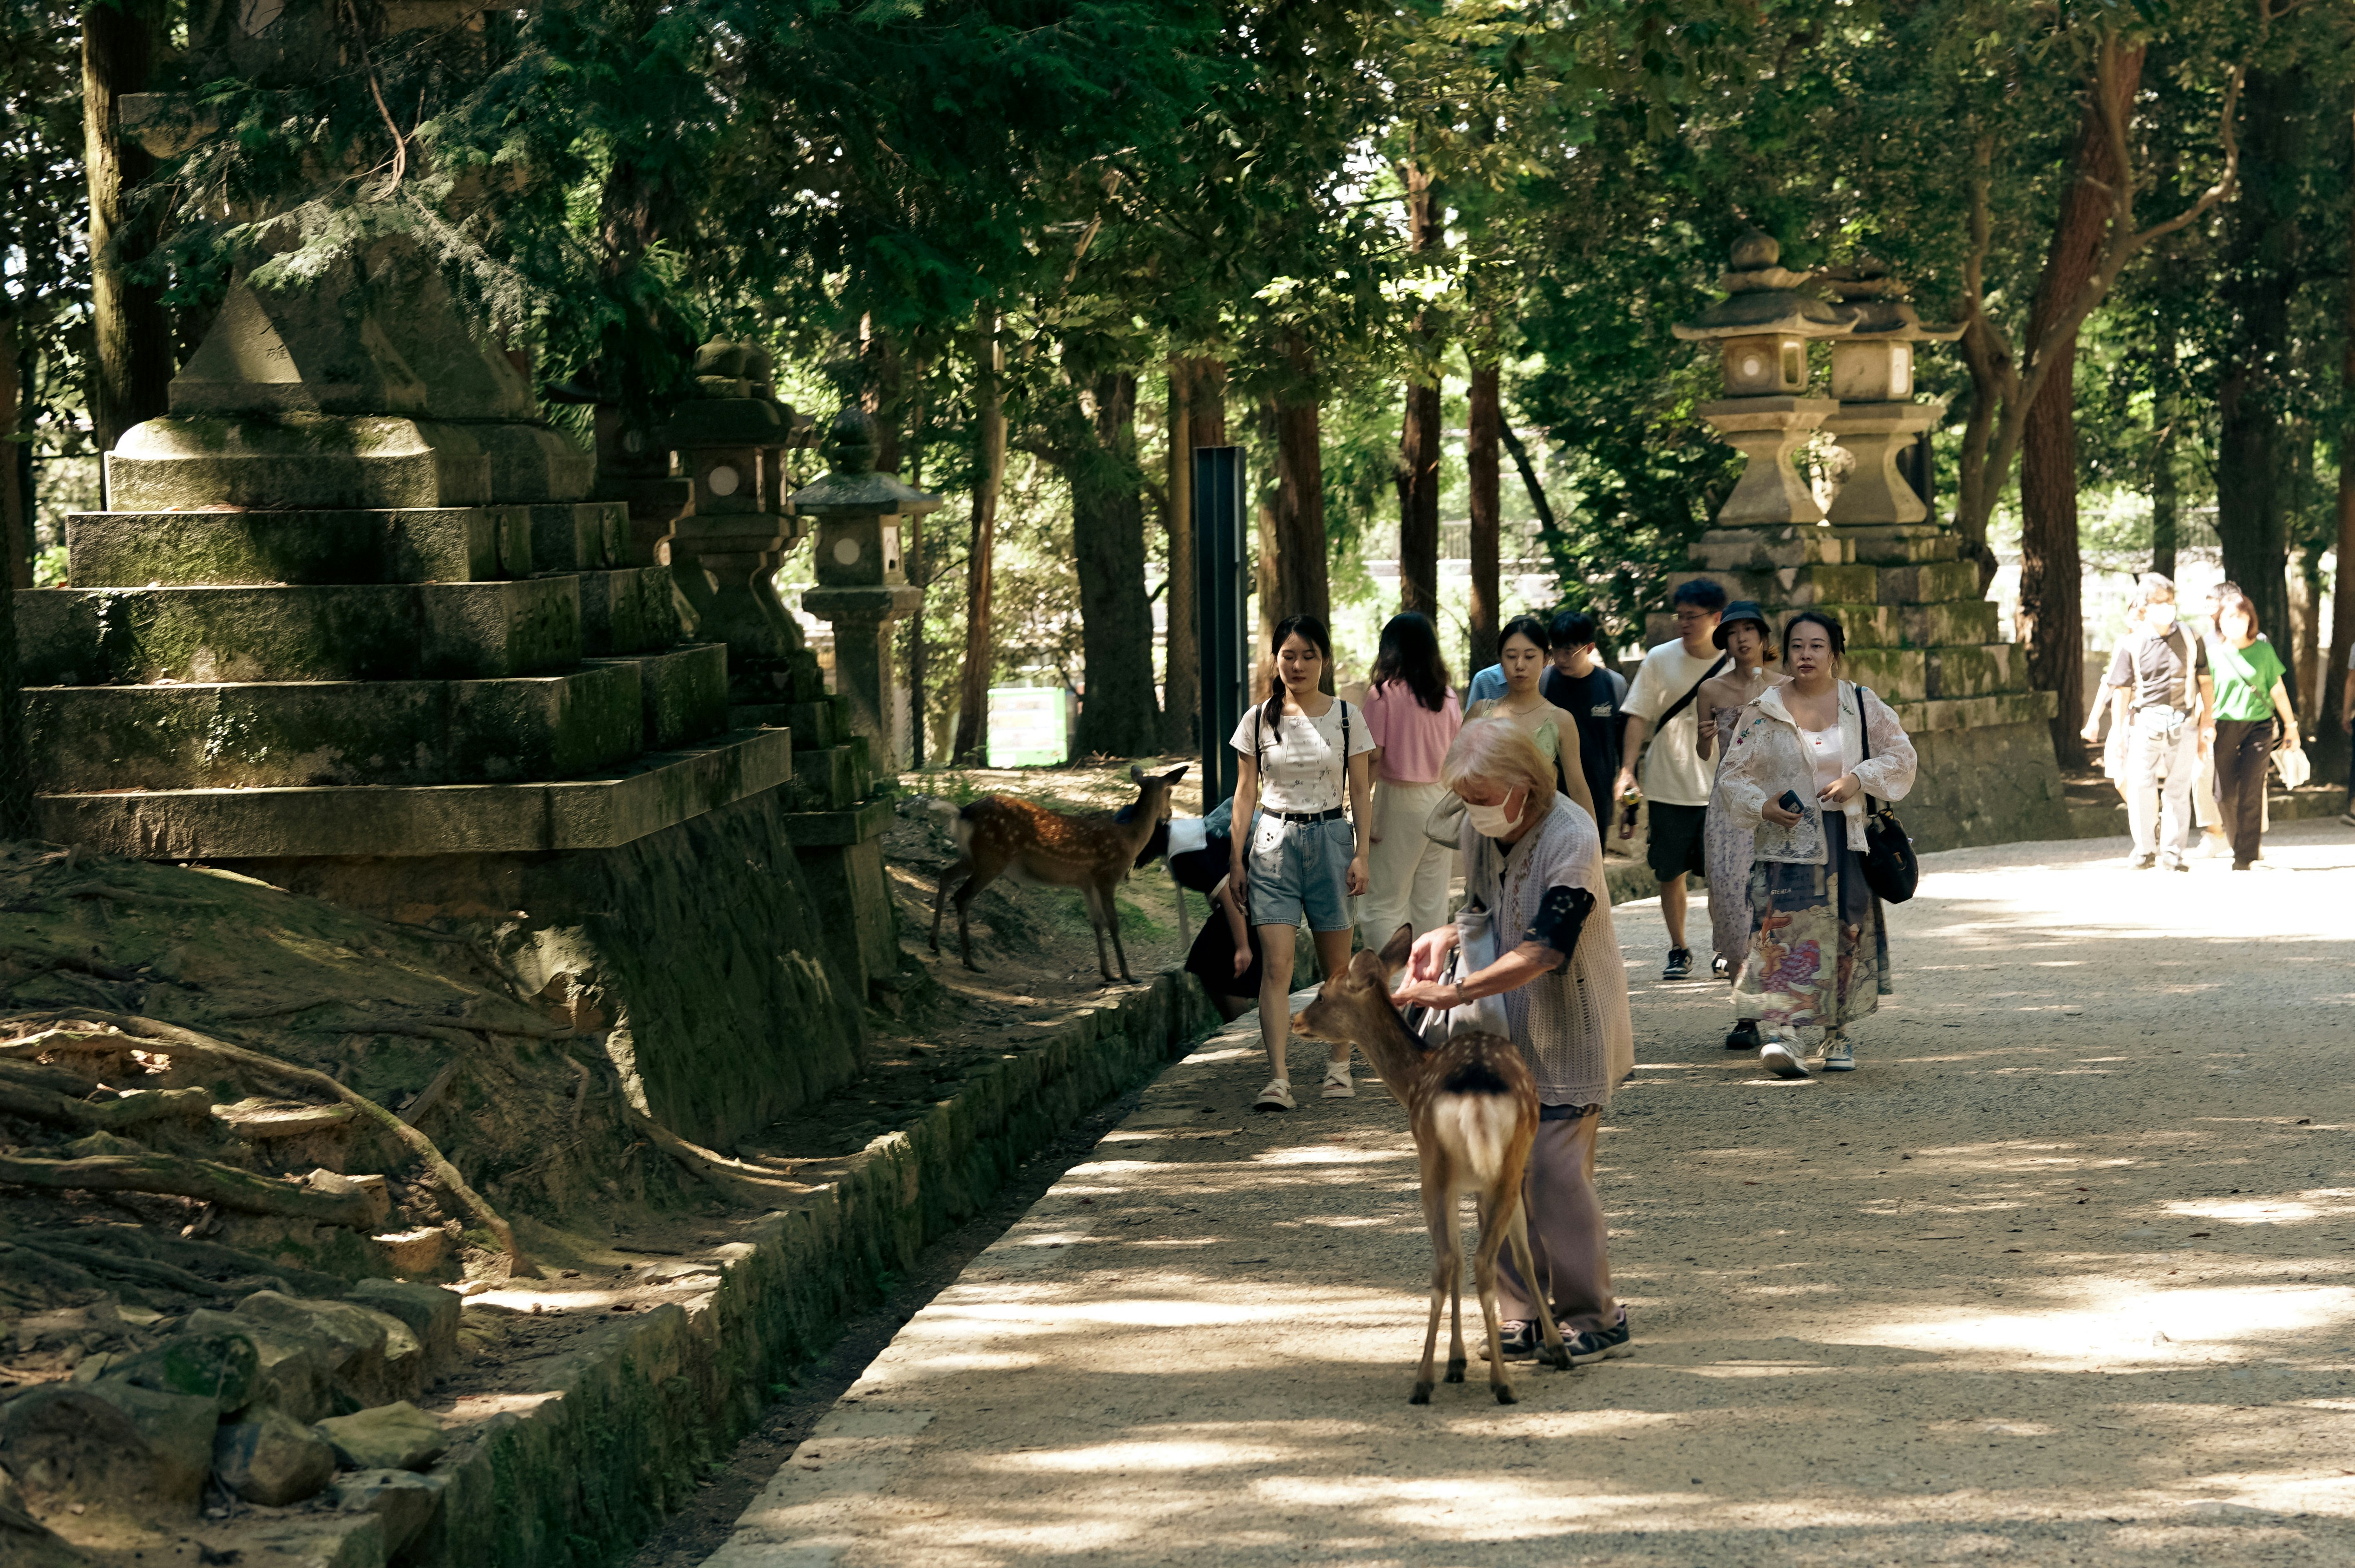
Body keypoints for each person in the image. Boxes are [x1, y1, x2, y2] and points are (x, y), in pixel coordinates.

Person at [1390, 717, 1635, 1364]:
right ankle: (1522, 1312)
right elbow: (1480, 905)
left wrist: (1457, 992)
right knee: (1499, 1171)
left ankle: (1594, 1314)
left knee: (1555, 1174)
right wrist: (1443, 937)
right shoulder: (1478, 828)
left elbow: (1548, 946)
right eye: (1464, 798)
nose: (1473, 810)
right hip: (1501, 1031)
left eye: (1482, 796)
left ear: (1525, 786)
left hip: (1567, 1026)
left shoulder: (1571, 836)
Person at [1716, 611, 1917, 1078]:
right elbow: (1732, 774)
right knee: (1783, 934)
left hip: (1846, 838)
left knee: (1844, 928)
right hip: (1786, 842)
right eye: (1798, 646)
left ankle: (1836, 1031)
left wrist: (1858, 778)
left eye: (1817, 646)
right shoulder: (1765, 709)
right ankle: (1784, 1032)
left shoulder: (1862, 704)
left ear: (1834, 653)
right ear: (1785, 653)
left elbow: (1901, 755)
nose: (1806, 654)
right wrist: (1763, 806)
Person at [1230, 614, 1376, 1111]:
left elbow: (1361, 790)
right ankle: (1277, 1078)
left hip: (1333, 838)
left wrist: (1361, 854)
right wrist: (1236, 859)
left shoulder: (1346, 717)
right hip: (1272, 843)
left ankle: (1339, 1064)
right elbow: (1244, 793)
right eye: (1289, 655)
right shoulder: (1256, 720)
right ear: (1276, 659)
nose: (1297, 664)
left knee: (1338, 968)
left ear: (1325, 660)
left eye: (1308, 655)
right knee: (1277, 968)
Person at [1612, 579, 1729, 979]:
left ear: (1717, 618)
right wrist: (1628, 770)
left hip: (1721, 788)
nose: (1683, 623)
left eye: (1692, 617)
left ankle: (1724, 946)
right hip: (1667, 785)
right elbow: (1637, 716)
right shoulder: (1660, 659)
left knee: (1722, 874)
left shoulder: (1737, 662)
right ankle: (1679, 948)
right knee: (1669, 871)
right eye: (1679, 616)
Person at [1693, 601, 1787, 1049]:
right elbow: (1704, 755)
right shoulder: (1710, 689)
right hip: (1729, 805)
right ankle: (1744, 1011)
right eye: (1733, 632)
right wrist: (1703, 738)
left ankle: (1782, 1005)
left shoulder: (1786, 686)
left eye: (1751, 630)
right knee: (1731, 899)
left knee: (1779, 903)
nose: (1743, 639)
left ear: (1764, 639)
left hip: (1778, 804)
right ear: (1724, 641)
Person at [1358, 612, 1462, 954]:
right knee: (1430, 901)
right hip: (1442, 800)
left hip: (1397, 801)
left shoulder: (1382, 695)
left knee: (1384, 900)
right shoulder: (1446, 697)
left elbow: (1373, 757)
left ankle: (1390, 987)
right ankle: (1426, 988)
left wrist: (1361, 808)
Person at [2096, 574, 2214, 871]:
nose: (2167, 607)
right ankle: (2145, 849)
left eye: (2170, 601)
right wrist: (2118, 733)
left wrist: (2206, 721)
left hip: (2184, 722)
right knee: (2139, 786)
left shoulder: (2191, 637)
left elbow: (2205, 682)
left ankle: (2173, 853)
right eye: (2160, 602)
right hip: (2144, 724)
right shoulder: (2132, 643)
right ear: (2145, 605)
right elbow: (2121, 690)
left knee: (2178, 789)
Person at [1464, 615, 1597, 821]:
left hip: (1540, 827)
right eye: (1511, 656)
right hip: (1485, 825)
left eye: (1529, 656)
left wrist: (1592, 840)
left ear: (1546, 659)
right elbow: (1458, 772)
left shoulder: (1561, 721)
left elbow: (1578, 787)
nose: (1519, 665)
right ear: (1500, 660)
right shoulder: (1480, 712)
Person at [2206, 588, 2303, 870]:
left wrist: (2291, 726)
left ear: (2250, 620)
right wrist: (2204, 727)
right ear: (2219, 622)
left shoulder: (2263, 650)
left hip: (2259, 727)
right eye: (2228, 618)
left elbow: (2278, 691)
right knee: (2223, 794)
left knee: (2251, 789)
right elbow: (2205, 696)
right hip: (2223, 727)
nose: (2234, 623)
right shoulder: (2213, 654)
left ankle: (2246, 856)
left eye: (2240, 617)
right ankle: (2238, 843)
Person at [1167, 798, 1263, 1023]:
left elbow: (1230, 897)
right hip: (1247, 892)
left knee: (1216, 964)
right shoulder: (1179, 837)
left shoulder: (1180, 850)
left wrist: (1243, 947)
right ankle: (1238, 1027)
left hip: (1252, 894)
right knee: (1208, 962)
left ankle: (1242, 1029)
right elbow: (1214, 873)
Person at [1538, 610, 1627, 823]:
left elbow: (1625, 751)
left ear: (1590, 648)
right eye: (1556, 649)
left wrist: (1630, 806)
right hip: (1549, 797)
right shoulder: (1543, 683)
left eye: (1569, 652)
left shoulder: (1614, 686)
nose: (1560, 659)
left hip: (1597, 796)